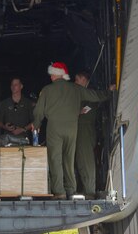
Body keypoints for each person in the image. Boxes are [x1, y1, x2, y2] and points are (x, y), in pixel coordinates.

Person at [33, 62, 113, 199]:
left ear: (56, 75)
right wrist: (109, 92)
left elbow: (38, 111)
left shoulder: (47, 90)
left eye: (52, 74)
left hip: (55, 128)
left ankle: (59, 191)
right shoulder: (76, 89)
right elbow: (95, 95)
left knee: (55, 159)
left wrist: (36, 123)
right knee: (69, 159)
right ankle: (71, 189)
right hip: (72, 129)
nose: (51, 76)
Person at [74, 70, 109, 199]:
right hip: (79, 132)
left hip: (86, 133)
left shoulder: (89, 95)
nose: (75, 82)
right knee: (80, 162)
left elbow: (83, 111)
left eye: (77, 80)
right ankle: (85, 189)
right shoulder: (81, 95)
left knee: (86, 162)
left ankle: (89, 191)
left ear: (84, 80)